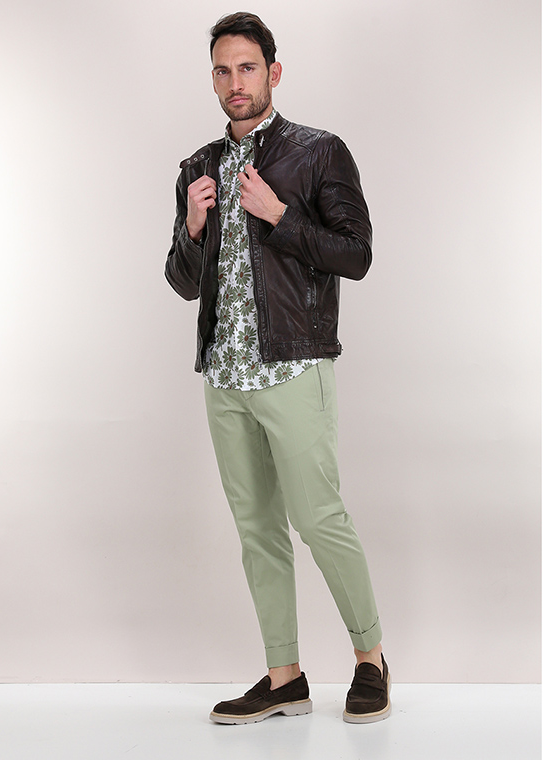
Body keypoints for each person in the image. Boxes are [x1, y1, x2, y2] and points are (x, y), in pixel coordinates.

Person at [165, 11, 390, 725]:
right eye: (223, 70)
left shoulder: (319, 153)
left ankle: (370, 658)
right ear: (213, 80)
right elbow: (182, 281)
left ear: (273, 73)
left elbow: (356, 254)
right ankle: (284, 676)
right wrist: (192, 229)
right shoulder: (197, 168)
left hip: (293, 367)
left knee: (319, 518)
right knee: (257, 530)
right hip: (225, 376)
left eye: (248, 68)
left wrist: (280, 215)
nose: (236, 82)